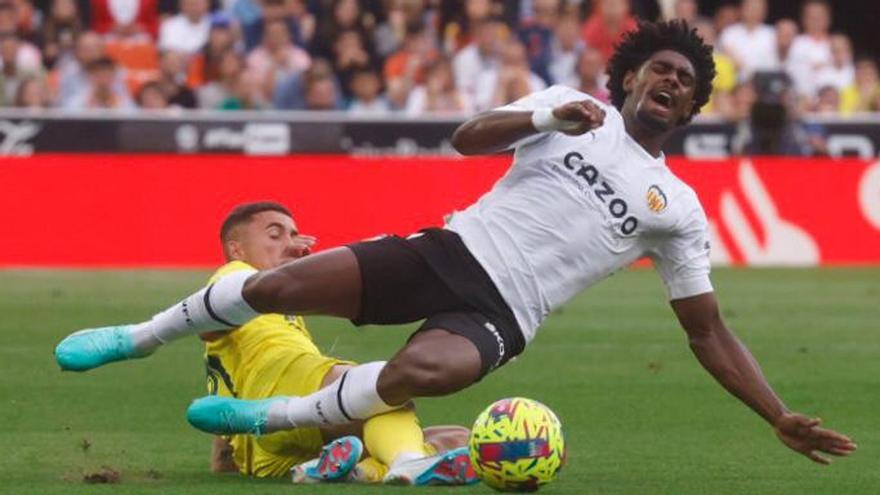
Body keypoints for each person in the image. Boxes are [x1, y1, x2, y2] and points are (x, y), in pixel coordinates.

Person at [56, 20, 857, 467]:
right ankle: (140, 335)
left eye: (685, 80)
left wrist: (777, 413)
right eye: (661, 68)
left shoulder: (677, 207)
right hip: (446, 251)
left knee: (424, 372)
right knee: (275, 288)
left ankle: (276, 416)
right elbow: (466, 137)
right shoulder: (572, 109)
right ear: (630, 78)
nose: (671, 80)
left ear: (690, 108)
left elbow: (707, 330)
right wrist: (544, 116)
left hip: (503, 312)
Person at [70, 201, 478, 485]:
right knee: (387, 391)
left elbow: (224, 375)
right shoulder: (235, 276)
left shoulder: (283, 306)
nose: (291, 241)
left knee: (459, 437)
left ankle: (357, 470)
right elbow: (210, 327)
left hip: (269, 453)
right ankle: (408, 462)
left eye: (295, 233)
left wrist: (227, 455)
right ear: (236, 248)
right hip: (287, 384)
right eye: (274, 233)